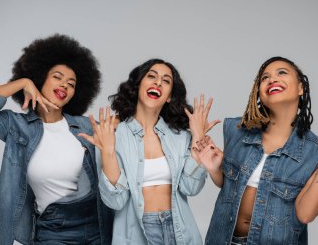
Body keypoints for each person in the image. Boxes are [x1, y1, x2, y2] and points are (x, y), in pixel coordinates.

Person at [197, 57, 318, 245]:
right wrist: (214, 168)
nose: (272, 79)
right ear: (259, 92)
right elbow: (229, 186)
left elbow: (305, 214)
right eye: (265, 77)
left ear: (301, 88)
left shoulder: (315, 151)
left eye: (282, 72)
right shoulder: (236, 129)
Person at [0, 34, 113, 245]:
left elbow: (128, 126)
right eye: (57, 77)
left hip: (95, 223)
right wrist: (22, 82)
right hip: (54, 228)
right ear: (41, 78)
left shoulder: (85, 125)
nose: (64, 85)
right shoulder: (17, 127)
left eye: (71, 83)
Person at [80, 58, 219, 245]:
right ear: (138, 86)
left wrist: (197, 137)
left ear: (169, 96)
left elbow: (190, 187)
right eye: (151, 76)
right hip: (135, 233)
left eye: (166, 80)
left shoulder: (180, 137)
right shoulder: (112, 134)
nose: (158, 82)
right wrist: (108, 153)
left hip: (179, 229)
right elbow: (116, 201)